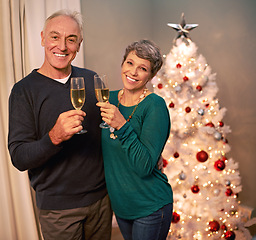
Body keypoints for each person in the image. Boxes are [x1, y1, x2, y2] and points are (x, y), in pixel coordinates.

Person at [8, 9, 112, 240]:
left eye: (71, 39)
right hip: (58, 211)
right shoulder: (24, 91)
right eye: (55, 37)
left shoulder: (91, 79)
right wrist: (53, 137)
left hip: (102, 202)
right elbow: (19, 157)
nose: (62, 46)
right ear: (43, 37)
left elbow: (107, 134)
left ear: (79, 44)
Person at [96, 40, 173, 240]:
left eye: (143, 68)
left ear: (151, 75)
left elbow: (144, 166)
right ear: (122, 64)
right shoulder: (108, 100)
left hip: (150, 206)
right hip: (122, 208)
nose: (133, 72)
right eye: (130, 63)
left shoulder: (155, 105)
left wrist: (122, 125)